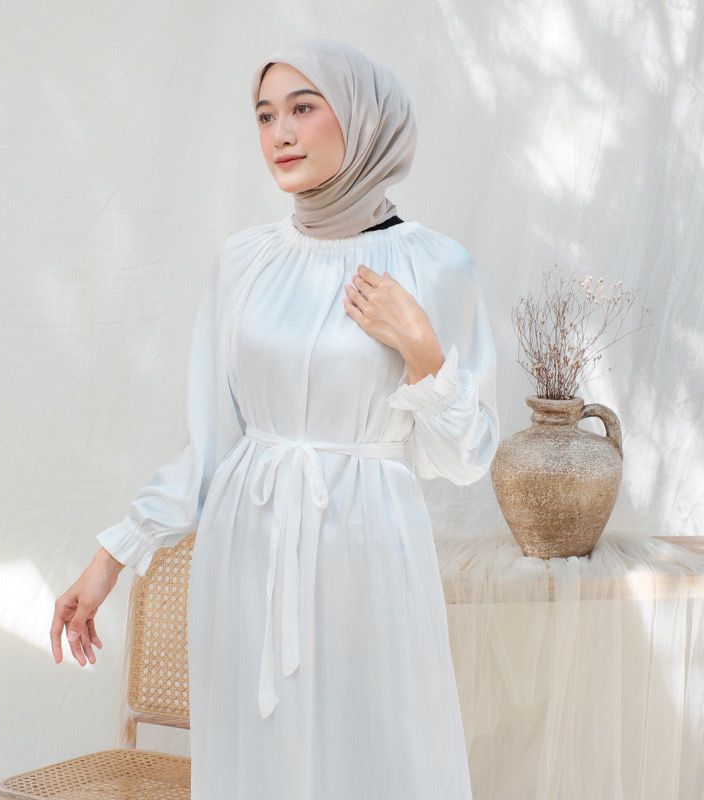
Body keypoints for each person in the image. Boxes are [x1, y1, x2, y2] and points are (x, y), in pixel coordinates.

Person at [50, 36, 499, 799]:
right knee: (258, 762)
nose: (281, 134)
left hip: (368, 550)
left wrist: (423, 349)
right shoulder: (245, 261)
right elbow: (212, 443)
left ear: (361, 118)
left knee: (374, 753)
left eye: (303, 108)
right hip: (247, 550)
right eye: (264, 116)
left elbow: (466, 457)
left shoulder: (435, 266)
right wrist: (109, 560)